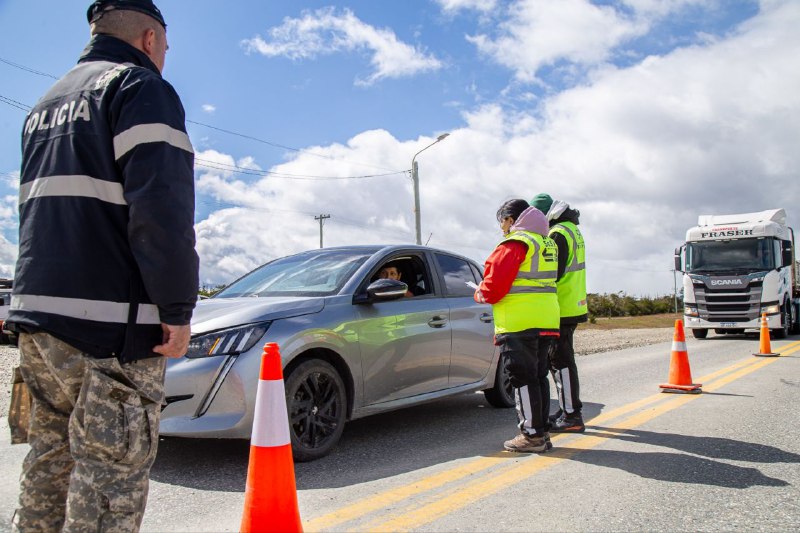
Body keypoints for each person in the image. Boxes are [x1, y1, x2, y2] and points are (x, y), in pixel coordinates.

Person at [7, 1, 199, 531]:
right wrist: (178, 309)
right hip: (108, 329)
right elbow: (162, 212)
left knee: (50, 461)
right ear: (149, 39)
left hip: (39, 323)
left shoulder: (44, 105)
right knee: (110, 477)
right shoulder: (139, 88)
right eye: (165, 47)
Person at [474, 199, 560, 453]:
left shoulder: (516, 242)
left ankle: (531, 437)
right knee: (537, 377)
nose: (502, 228)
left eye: (502, 221)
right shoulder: (546, 243)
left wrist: (480, 293)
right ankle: (542, 432)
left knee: (522, 379)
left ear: (511, 219)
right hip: (546, 319)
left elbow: (494, 285)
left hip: (519, 321)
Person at [530, 193, 588, 433]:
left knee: (560, 362)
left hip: (561, 307)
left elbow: (553, 272)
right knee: (563, 360)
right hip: (573, 303)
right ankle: (569, 409)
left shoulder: (557, 234)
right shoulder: (571, 229)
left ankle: (572, 415)